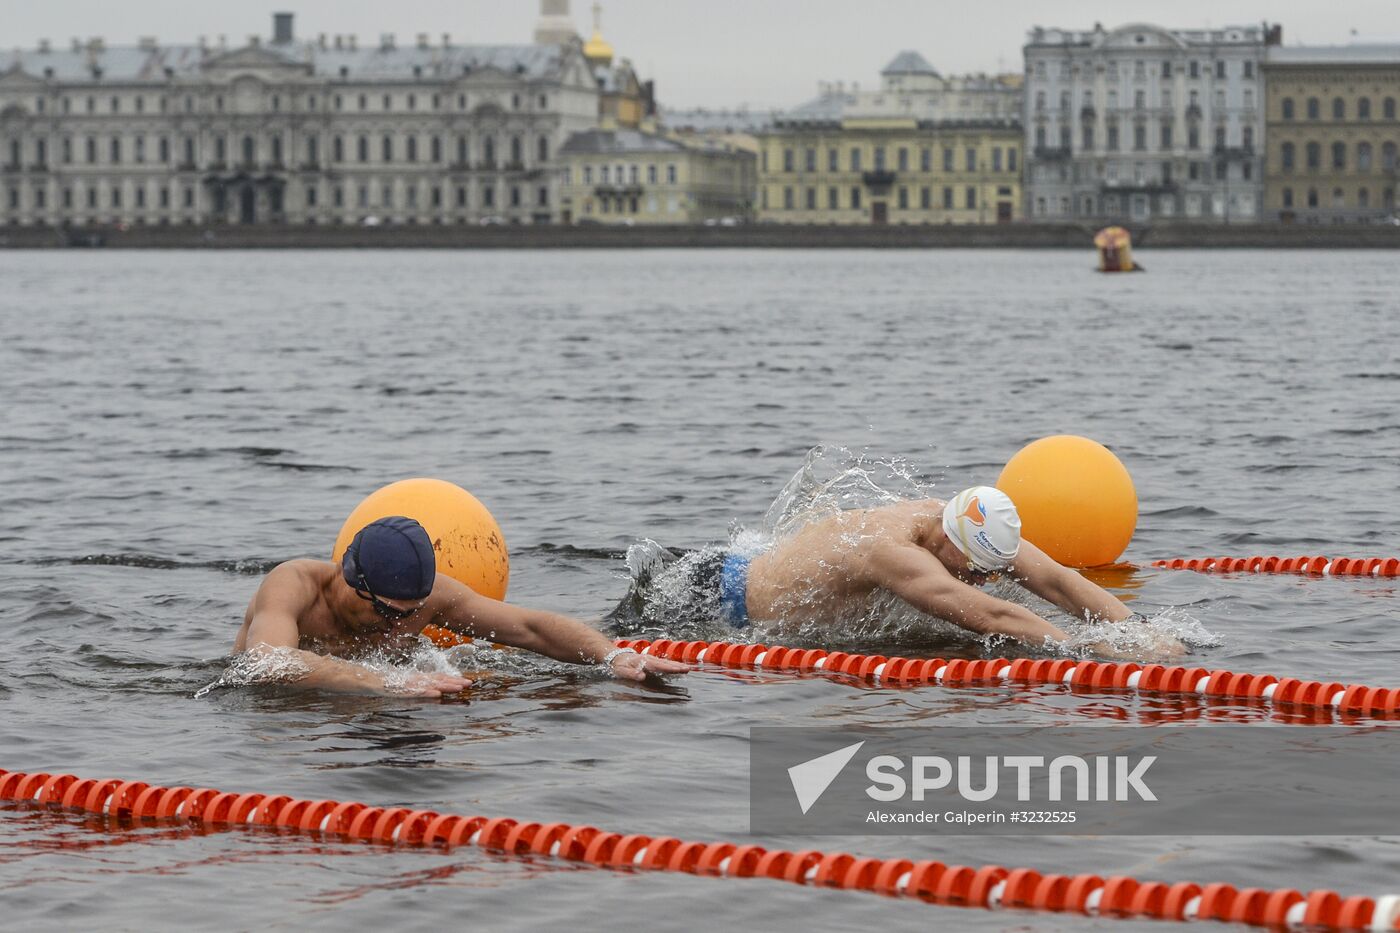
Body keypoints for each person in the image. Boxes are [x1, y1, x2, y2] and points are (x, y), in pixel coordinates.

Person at [627, 486, 1174, 655]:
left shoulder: (965, 527)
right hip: (710, 597)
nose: (983, 579)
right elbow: (988, 613)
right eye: (977, 569)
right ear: (946, 539)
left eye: (993, 569)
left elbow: (1057, 580)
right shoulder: (892, 550)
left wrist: (1137, 629)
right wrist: (1081, 649)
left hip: (755, 568)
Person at [234, 516, 689, 697]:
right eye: (393, 612)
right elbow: (266, 662)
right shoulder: (293, 585)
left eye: (415, 610)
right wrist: (389, 681)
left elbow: (529, 628)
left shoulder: (429, 599)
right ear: (355, 583)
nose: (406, 620)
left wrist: (611, 654)